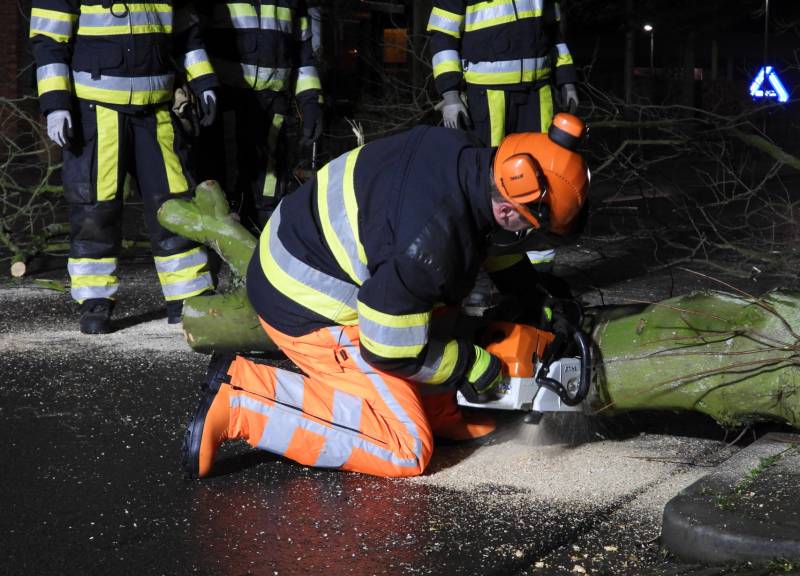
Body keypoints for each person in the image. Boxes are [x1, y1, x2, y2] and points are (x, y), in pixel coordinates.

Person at [181, 113, 590, 479]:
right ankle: (242, 400)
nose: (527, 236)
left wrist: (529, 290)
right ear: (509, 209)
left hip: (312, 246)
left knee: (438, 295)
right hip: (307, 302)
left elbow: (485, 238)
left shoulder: (468, 158)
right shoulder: (426, 249)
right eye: (530, 227)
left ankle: (436, 406)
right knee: (405, 448)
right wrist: (465, 363)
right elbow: (389, 349)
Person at [30, 0, 219, 333]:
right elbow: (48, 41)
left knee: (174, 205)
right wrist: (56, 104)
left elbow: (188, 35)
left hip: (157, 111)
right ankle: (94, 301)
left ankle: (188, 297)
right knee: (95, 208)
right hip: (96, 110)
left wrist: (204, 84)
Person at [427, 0, 579, 273]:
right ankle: (490, 271)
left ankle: (540, 270)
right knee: (491, 182)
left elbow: (555, 32)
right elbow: (442, 36)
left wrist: (566, 79)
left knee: (544, 177)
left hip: (538, 92)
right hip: (488, 97)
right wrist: (450, 93)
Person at [196, 0, 324, 230]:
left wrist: (311, 101)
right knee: (224, 173)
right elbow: (193, 41)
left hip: (274, 100)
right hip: (227, 96)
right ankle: (221, 237)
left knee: (270, 176)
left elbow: (304, 54)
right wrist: (200, 87)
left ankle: (265, 232)